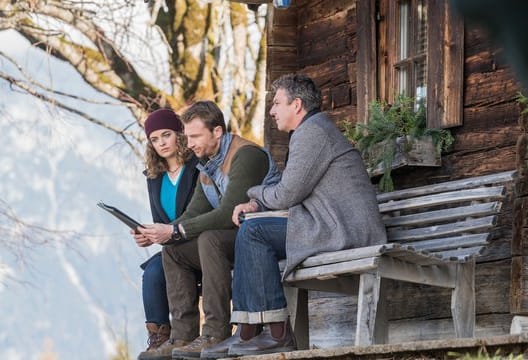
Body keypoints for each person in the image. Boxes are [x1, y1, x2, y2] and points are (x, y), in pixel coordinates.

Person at [202, 73, 388, 358]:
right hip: (329, 223)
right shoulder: (310, 131)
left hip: (345, 229)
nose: (272, 111)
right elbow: (289, 192)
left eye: (277, 103)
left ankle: (277, 334)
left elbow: (287, 195)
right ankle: (247, 331)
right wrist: (258, 207)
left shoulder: (313, 132)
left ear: (297, 105)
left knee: (254, 232)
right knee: (251, 228)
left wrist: (253, 195)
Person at [136, 101, 281, 360]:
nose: (189, 143)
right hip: (238, 239)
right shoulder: (209, 165)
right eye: (188, 137)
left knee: (209, 239)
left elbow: (227, 215)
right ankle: (182, 336)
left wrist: (177, 230)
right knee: (173, 250)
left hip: (263, 239)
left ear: (217, 132)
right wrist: (162, 233)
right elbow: (194, 212)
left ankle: (215, 332)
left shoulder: (245, 155)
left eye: (194, 136)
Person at [132, 109, 200, 359]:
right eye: (155, 139)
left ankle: (182, 336)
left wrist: (167, 232)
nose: (161, 143)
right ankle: (160, 338)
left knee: (156, 270)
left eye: (166, 135)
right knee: (151, 272)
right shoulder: (154, 177)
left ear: (180, 134)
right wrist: (147, 235)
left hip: (199, 243)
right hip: (173, 247)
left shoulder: (197, 166)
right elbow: (162, 222)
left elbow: (200, 212)